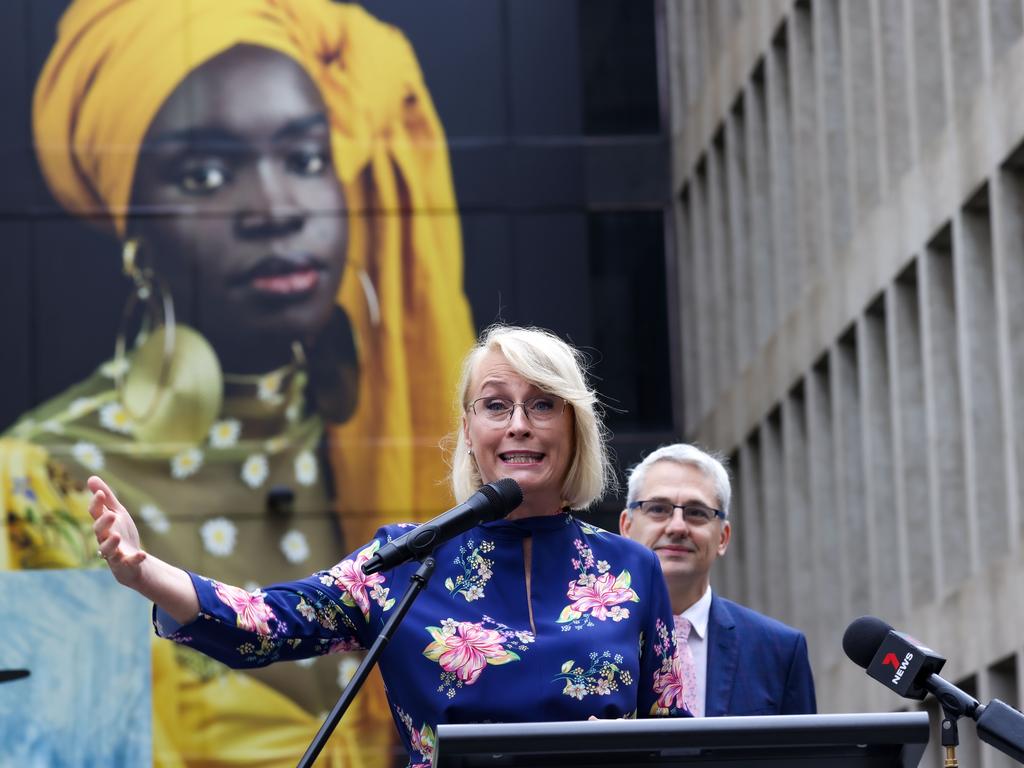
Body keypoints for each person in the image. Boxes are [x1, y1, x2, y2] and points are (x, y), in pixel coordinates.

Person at [4, 0, 474, 765]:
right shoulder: (40, 484)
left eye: (305, 159)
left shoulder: (384, 447)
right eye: (207, 173)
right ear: (136, 229)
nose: (277, 210)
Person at [90, 325, 689, 767]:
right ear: (469, 431)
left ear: (574, 427)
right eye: (496, 405)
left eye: (542, 404)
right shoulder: (406, 560)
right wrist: (144, 572)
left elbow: (677, 738)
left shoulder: (632, 568)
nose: (518, 424)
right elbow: (266, 623)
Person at [619, 444, 816, 716]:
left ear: (723, 537)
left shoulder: (779, 651)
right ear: (626, 528)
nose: (677, 527)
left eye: (697, 512)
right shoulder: (586, 637)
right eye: (658, 509)